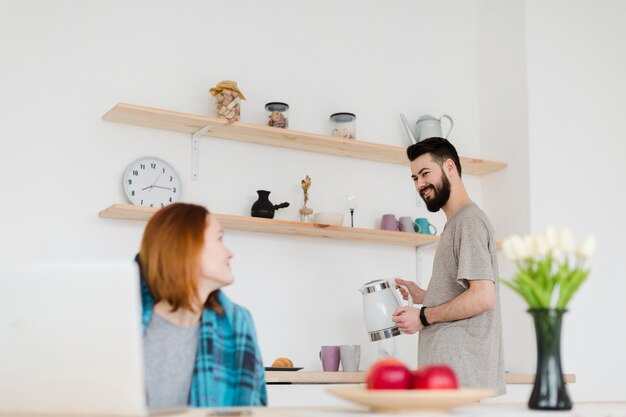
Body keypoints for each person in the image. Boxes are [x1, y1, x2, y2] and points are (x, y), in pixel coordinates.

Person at [391, 137, 505, 395]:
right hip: (449, 375)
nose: (420, 184)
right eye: (414, 178)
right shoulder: (456, 223)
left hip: (457, 375)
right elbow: (464, 290)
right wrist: (424, 295)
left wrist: (422, 316)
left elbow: (483, 297)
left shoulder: (468, 222)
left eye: (425, 173)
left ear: (450, 168)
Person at [136, 202, 267, 407]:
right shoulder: (124, 321)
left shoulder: (239, 323)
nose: (230, 253)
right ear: (187, 245)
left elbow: (256, 407)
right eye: (220, 239)